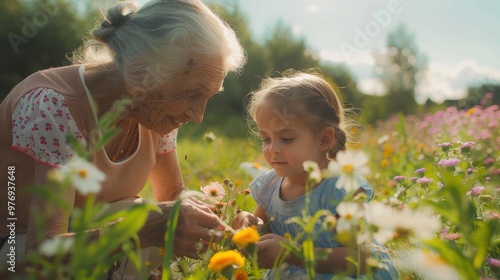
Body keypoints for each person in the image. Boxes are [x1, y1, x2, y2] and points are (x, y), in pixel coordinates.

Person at [0, 0, 245, 277]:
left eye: (207, 97)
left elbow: (175, 199)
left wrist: (226, 224)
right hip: (13, 252)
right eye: (191, 94)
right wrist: (138, 231)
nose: (198, 115)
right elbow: (39, 251)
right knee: (147, 222)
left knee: (157, 216)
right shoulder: (52, 105)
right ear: (143, 71)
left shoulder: (154, 111)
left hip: (84, 240)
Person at [232, 70, 399, 279]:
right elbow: (263, 227)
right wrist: (250, 225)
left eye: (287, 138)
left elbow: (360, 259)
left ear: (324, 139)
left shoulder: (340, 190)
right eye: (266, 139)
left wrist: (294, 254)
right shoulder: (269, 185)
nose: (273, 149)